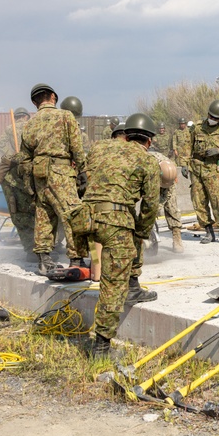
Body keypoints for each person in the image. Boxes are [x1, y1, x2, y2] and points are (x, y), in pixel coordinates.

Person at [80, 113, 161, 358]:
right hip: (115, 223)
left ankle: (133, 285)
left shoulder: (99, 148)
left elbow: (83, 179)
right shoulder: (147, 161)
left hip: (86, 222)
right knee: (113, 285)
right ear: (148, 140)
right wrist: (142, 233)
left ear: (125, 134)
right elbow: (150, 205)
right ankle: (102, 347)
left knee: (100, 264)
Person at [19, 83, 87, 274]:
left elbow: (24, 158)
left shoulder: (29, 124)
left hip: (39, 173)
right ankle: (77, 260)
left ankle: (44, 260)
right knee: (72, 213)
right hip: (61, 171)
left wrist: (30, 182)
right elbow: (77, 147)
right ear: (53, 97)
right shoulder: (65, 116)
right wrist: (83, 171)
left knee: (44, 214)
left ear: (35, 102)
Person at [187, 99, 219, 244]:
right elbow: (187, 146)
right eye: (211, 116)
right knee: (199, 201)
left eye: (216, 118)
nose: (213, 120)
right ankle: (208, 232)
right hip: (197, 169)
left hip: (215, 171)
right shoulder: (197, 128)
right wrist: (184, 164)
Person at [0, 107, 35, 255]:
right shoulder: (32, 126)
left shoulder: (9, 128)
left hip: (13, 173)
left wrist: (13, 156)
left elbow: (0, 146)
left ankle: (29, 245)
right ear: (26, 117)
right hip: (31, 170)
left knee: (18, 210)